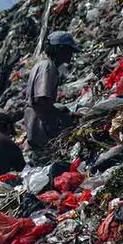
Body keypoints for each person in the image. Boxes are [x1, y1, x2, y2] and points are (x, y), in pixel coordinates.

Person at [23, 31, 79, 162]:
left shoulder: (42, 65)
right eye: (69, 50)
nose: (70, 55)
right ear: (60, 49)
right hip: (41, 126)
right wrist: (61, 115)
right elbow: (41, 99)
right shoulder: (48, 67)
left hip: (35, 124)